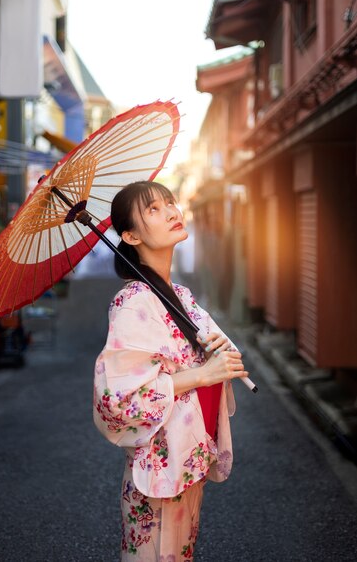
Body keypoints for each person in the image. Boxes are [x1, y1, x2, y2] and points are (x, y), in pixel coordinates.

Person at [93, 180, 249, 562]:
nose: (172, 211)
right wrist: (202, 375)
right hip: (158, 468)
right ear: (129, 235)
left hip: (188, 457)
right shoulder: (133, 302)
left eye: (170, 203)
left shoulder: (180, 296)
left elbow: (210, 353)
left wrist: (222, 360)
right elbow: (119, 400)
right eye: (154, 209)